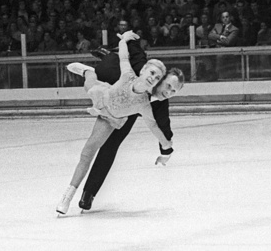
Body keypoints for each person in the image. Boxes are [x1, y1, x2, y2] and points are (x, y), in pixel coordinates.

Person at [56, 31, 184, 215]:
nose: (169, 91)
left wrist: (166, 150)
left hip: (128, 111)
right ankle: (99, 61)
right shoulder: (140, 70)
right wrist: (127, 37)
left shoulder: (157, 104)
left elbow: (160, 126)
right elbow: (133, 52)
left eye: (174, 91)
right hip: (114, 81)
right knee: (98, 77)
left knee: (110, 146)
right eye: (167, 85)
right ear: (160, 79)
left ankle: (88, 193)